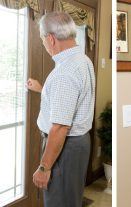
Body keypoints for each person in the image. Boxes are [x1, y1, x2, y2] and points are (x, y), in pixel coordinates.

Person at [25, 11, 96, 207]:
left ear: (51, 38)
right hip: (78, 144)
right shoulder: (82, 60)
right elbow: (74, 98)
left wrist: (44, 168)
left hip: (65, 147)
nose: (43, 43)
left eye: (42, 39)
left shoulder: (64, 72)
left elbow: (60, 127)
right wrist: (43, 89)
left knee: (60, 202)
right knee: (70, 200)